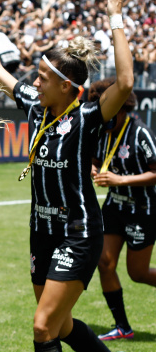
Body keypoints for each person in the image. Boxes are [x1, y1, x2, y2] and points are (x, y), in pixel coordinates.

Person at [0, 0, 134, 352]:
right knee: (60, 327)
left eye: (43, 77)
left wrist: (115, 17)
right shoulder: (34, 107)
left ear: (66, 87)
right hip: (40, 230)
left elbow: (124, 83)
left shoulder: (88, 117)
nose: (35, 82)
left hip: (78, 232)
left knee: (42, 327)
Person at [88, 79, 156, 341]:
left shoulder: (141, 133)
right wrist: (93, 169)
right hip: (115, 206)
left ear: (120, 107)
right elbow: (94, 160)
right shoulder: (102, 131)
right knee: (104, 263)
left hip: (143, 208)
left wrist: (121, 180)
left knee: (137, 273)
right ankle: (123, 327)